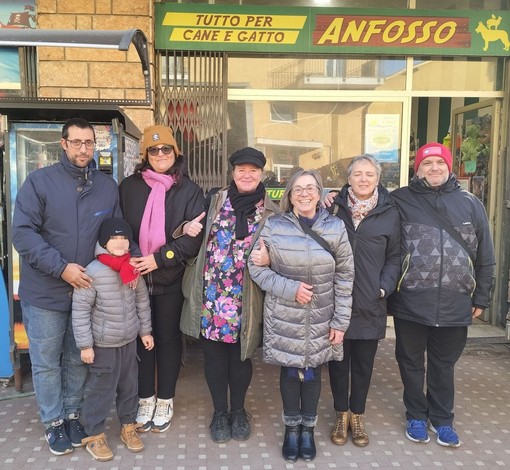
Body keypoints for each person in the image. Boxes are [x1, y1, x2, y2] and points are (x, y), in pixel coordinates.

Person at [12, 118, 122, 456]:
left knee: (78, 358)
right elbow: (23, 234)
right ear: (63, 144)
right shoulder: (39, 182)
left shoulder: (107, 186)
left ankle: (73, 413)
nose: (83, 149)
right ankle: (53, 421)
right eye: (76, 142)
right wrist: (61, 269)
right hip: (45, 291)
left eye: (89, 142)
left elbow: (113, 236)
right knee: (46, 361)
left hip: (86, 294)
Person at [388, 142, 495, 448]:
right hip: (412, 300)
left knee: (443, 364)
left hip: (455, 301)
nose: (433, 168)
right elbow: (367, 210)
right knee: (409, 362)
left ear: (449, 167)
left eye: (439, 163)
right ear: (417, 168)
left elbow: (485, 255)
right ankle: (416, 416)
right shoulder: (399, 200)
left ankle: (443, 419)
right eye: (427, 163)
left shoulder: (471, 203)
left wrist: (482, 296)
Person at [249, 169, 354, 462]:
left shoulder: (335, 227)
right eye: (298, 189)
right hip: (285, 313)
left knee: (312, 372)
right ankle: (291, 428)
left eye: (310, 188)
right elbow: (256, 267)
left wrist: (341, 321)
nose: (304, 193)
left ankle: (308, 429)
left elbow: (346, 275)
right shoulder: (274, 225)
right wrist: (290, 288)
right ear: (289, 195)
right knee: (289, 370)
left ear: (319, 193)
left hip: (324, 314)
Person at [180, 147, 280, 443]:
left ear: (262, 174)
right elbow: (190, 228)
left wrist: (271, 259)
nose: (246, 174)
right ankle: (219, 412)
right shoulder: (213, 201)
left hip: (246, 297)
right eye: (241, 169)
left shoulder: (272, 212)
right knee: (213, 358)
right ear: (232, 172)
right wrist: (185, 227)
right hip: (212, 294)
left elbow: (284, 250)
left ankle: (238, 410)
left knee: (241, 358)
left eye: (253, 170)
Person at [119, 124, 206, 434]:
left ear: (175, 153)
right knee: (142, 340)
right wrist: (131, 256)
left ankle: (165, 399)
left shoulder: (190, 190)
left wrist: (157, 258)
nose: (160, 154)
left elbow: (194, 239)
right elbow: (120, 226)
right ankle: (145, 398)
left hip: (170, 278)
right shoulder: (129, 186)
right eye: (153, 150)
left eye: (165, 149)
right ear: (145, 154)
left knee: (167, 340)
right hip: (134, 278)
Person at [327, 155, 401, 447]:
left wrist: (383, 288)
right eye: (357, 174)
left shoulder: (390, 212)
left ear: (378, 179)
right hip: (337, 302)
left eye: (369, 174)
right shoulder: (333, 208)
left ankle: (357, 415)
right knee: (337, 363)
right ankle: (340, 413)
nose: (363, 179)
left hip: (371, 302)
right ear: (348, 178)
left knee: (363, 364)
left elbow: (395, 257)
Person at [72, 218, 154, 461]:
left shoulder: (133, 267)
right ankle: (94, 434)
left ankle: (128, 425)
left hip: (129, 341)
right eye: (114, 238)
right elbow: (80, 311)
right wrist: (85, 345)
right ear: (104, 242)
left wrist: (145, 332)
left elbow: (142, 302)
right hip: (104, 344)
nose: (120, 243)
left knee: (130, 386)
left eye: (124, 238)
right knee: (101, 390)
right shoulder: (93, 272)